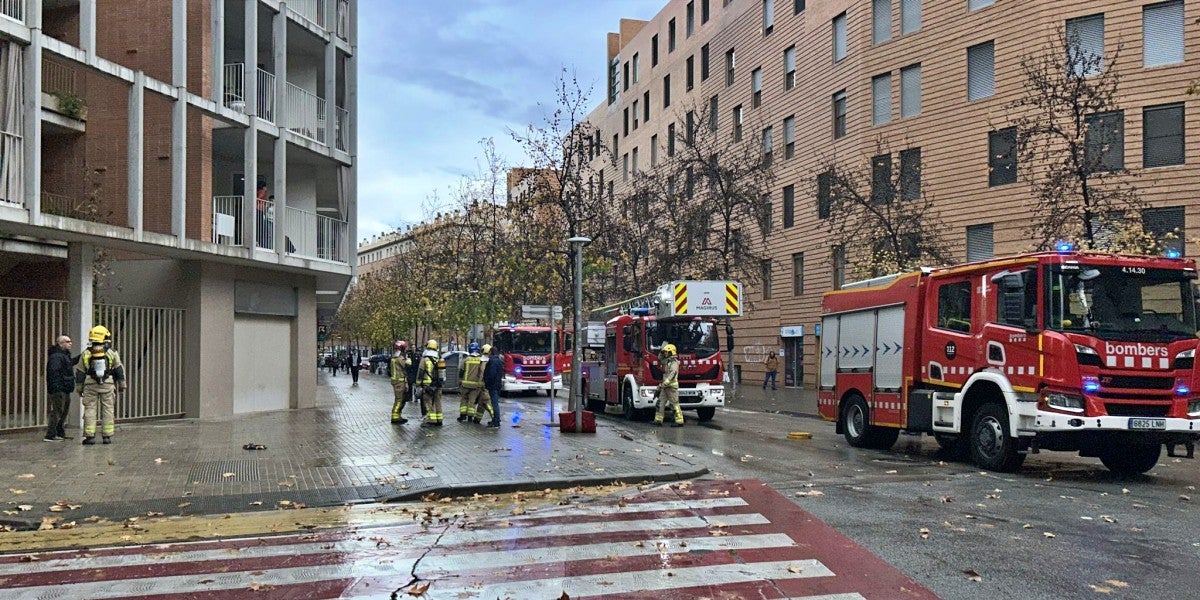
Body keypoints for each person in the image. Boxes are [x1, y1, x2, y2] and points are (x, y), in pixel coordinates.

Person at [74, 325, 126, 445]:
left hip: (90, 385)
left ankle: (90, 436)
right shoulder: (112, 353)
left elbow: (80, 372)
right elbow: (119, 369)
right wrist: (122, 385)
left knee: (90, 409)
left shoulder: (86, 353)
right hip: (107, 385)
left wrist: (79, 388)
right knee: (108, 409)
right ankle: (107, 436)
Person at [44, 334, 77, 441]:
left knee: (64, 411)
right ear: (61, 344)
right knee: (58, 411)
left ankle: (59, 433)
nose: (70, 343)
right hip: (59, 389)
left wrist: (84, 354)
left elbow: (70, 363)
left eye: (70, 341)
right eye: (68, 341)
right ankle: (50, 435)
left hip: (64, 388)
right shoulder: (56, 356)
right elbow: (53, 372)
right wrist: (57, 387)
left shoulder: (63, 355)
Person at [654, 342, 683, 427]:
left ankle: (679, 421)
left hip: (671, 387)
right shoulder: (667, 361)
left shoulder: (674, 362)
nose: (665, 353)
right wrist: (662, 351)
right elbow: (659, 358)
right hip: (665, 387)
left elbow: (673, 374)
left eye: (666, 352)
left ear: (671, 352)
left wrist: (665, 383)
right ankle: (658, 420)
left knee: (674, 404)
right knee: (660, 403)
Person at [417, 339, 444, 426]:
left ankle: (431, 420)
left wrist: (418, 384)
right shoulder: (439, 359)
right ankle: (439, 420)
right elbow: (442, 373)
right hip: (438, 385)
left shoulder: (424, 359)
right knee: (438, 401)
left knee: (428, 402)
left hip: (427, 385)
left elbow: (420, 372)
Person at [458, 342, 486, 423]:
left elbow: (461, 371)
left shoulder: (466, 360)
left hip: (465, 384)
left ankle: (462, 416)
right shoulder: (481, 360)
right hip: (475, 385)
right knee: (472, 401)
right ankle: (470, 417)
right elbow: (482, 372)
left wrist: (459, 382)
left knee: (464, 400)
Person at [390, 341, 412, 424]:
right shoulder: (399, 358)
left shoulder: (394, 357)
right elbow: (406, 365)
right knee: (399, 400)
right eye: (404, 348)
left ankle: (398, 416)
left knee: (402, 399)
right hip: (399, 382)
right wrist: (409, 359)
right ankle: (395, 416)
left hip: (399, 381)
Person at [483, 344, 504, 428]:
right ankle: (496, 420)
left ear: (491, 352)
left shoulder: (492, 361)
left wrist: (487, 382)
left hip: (493, 385)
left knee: (494, 403)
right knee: (495, 403)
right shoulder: (498, 360)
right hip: (497, 384)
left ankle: (496, 421)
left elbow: (491, 374)